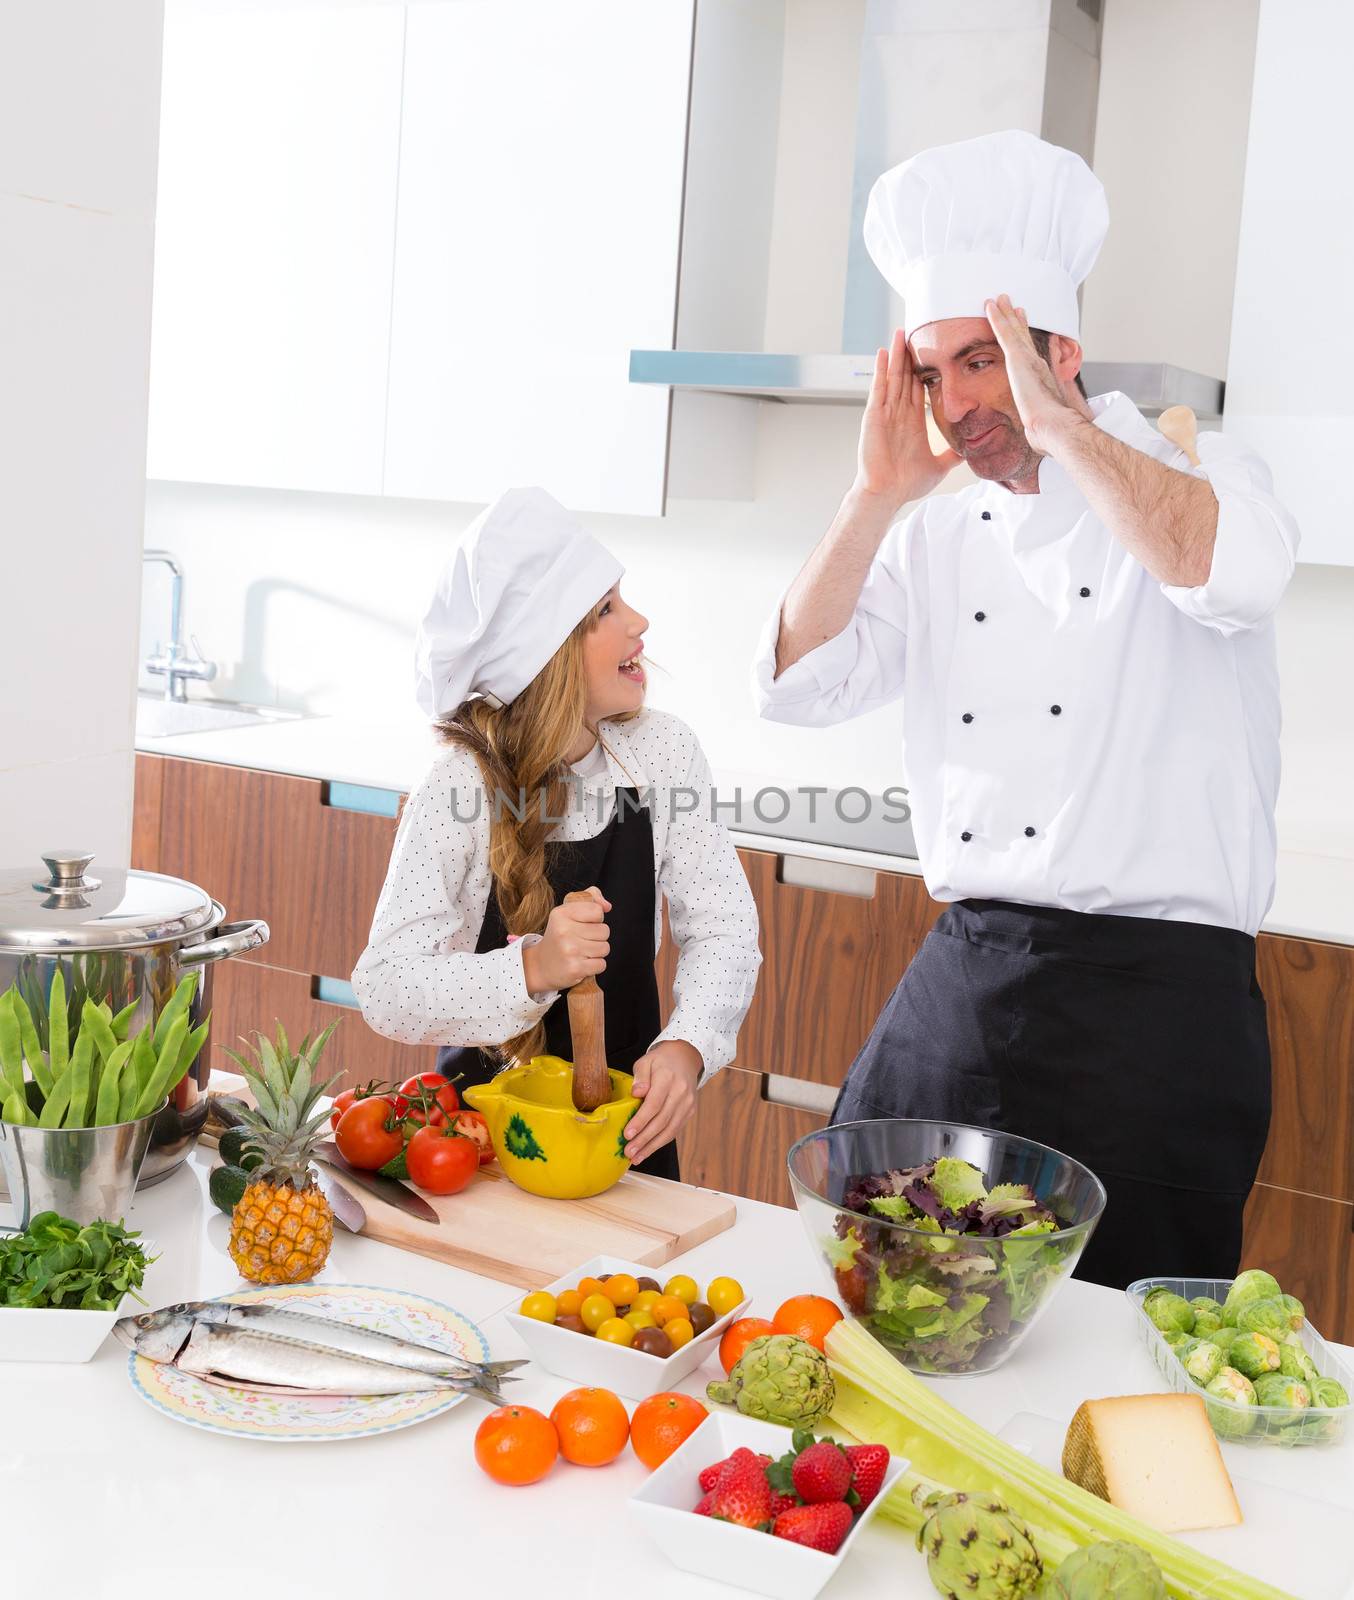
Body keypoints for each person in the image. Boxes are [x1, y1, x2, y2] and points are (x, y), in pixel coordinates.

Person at [752, 130, 1300, 1286]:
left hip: (1155, 1009)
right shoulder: (940, 530)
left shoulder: (1206, 472)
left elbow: (1224, 572)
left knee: (1116, 1338)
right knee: (885, 1294)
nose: (953, 404)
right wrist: (870, 494)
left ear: (1063, 354)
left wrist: (1066, 431)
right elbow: (800, 681)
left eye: (982, 362)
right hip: (967, 976)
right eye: (931, 371)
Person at [354, 486, 761, 1177]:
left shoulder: (661, 752)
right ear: (543, 654)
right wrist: (536, 967)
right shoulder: (461, 784)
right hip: (473, 1149)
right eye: (605, 609)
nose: (639, 621)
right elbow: (386, 987)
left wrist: (691, 1044)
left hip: (622, 1136)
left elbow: (723, 927)